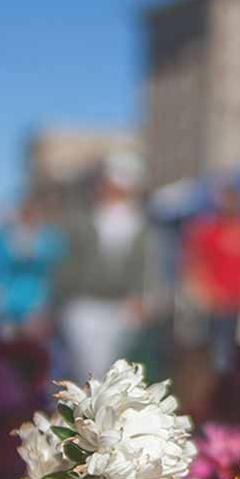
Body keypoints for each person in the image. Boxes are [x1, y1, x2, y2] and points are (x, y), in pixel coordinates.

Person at [51, 153, 160, 379]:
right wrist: (60, 301)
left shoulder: (139, 224)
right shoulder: (81, 220)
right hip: (84, 304)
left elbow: (145, 265)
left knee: (114, 370)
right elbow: (65, 263)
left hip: (121, 308)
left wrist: (142, 297)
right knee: (88, 370)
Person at [182, 185, 240, 371]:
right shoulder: (206, 230)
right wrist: (208, 292)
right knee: (213, 350)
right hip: (214, 303)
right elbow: (195, 264)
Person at [0, 195, 64, 334]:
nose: (29, 218)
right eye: (25, 213)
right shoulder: (1, 238)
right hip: (6, 301)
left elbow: (56, 261)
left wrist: (34, 256)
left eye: (32, 214)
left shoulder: (49, 238)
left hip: (37, 301)